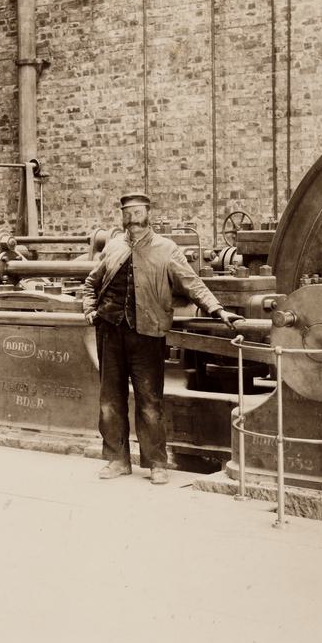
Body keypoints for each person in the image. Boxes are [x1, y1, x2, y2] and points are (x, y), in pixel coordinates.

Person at [81, 193, 240, 485]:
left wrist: (218, 310)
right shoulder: (113, 247)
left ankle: (156, 463)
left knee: (150, 401)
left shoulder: (167, 249)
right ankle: (117, 460)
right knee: (110, 401)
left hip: (148, 333)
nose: (133, 217)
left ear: (148, 214)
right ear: (122, 216)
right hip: (110, 332)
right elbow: (91, 283)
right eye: (128, 212)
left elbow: (192, 284)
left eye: (138, 211)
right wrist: (90, 309)